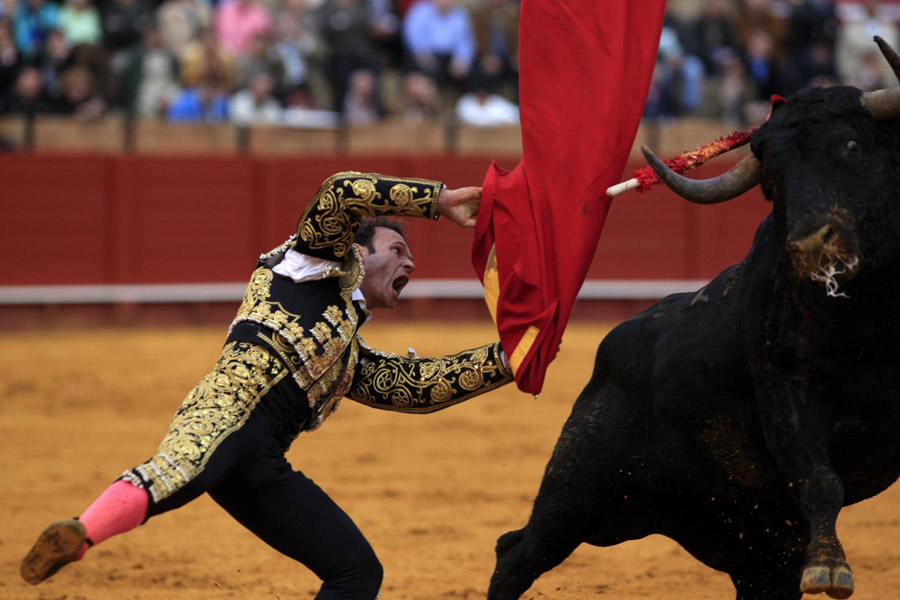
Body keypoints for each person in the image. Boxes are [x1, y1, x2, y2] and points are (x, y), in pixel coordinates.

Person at [20, 171, 513, 599]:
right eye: (398, 250)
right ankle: (80, 534)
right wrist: (438, 201)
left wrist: (513, 358)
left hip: (262, 467)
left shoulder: (344, 354)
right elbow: (342, 191)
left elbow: (416, 385)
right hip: (226, 409)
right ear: (356, 249)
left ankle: (82, 532)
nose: (410, 264)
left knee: (356, 572)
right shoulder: (308, 264)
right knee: (181, 470)